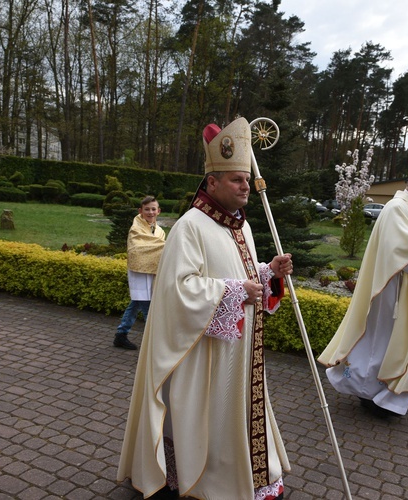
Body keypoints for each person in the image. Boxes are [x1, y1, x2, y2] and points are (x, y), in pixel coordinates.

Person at [117, 117, 293, 499]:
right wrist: (234, 291)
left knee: (237, 411)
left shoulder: (240, 226)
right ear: (211, 183)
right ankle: (206, 478)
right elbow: (178, 289)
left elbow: (241, 274)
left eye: (246, 180)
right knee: (209, 415)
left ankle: (247, 473)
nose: (245, 186)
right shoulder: (190, 226)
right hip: (203, 353)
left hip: (239, 350)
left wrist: (267, 274)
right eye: (236, 180)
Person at [317, 168, 408, 417]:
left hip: (402, 292)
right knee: (381, 344)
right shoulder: (397, 208)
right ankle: (371, 395)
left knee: (389, 344)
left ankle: (381, 396)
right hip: (390, 293)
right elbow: (400, 249)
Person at [113, 196, 166, 350]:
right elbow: (136, 249)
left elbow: (159, 249)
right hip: (139, 271)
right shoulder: (136, 228)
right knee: (147, 305)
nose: (150, 212)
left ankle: (121, 335)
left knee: (136, 302)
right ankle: (154, 344)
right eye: (147, 209)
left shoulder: (160, 231)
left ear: (159, 211)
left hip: (153, 271)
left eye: (153, 209)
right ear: (140, 211)